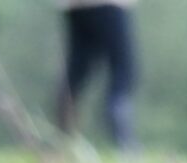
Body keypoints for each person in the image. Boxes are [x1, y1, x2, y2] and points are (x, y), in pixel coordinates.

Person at [55, 0, 138, 149]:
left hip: (74, 7)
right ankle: (124, 142)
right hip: (109, 5)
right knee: (123, 71)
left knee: (76, 72)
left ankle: (62, 138)